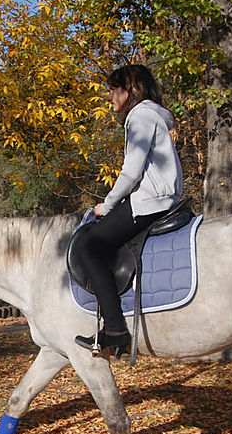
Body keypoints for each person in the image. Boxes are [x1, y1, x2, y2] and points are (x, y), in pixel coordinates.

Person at [72, 64, 183, 352]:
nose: (110, 97)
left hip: (149, 200)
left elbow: (131, 171)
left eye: (113, 89)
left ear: (129, 89)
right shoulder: (150, 115)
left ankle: (115, 329)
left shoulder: (141, 116)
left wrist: (107, 205)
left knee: (89, 247)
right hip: (156, 196)